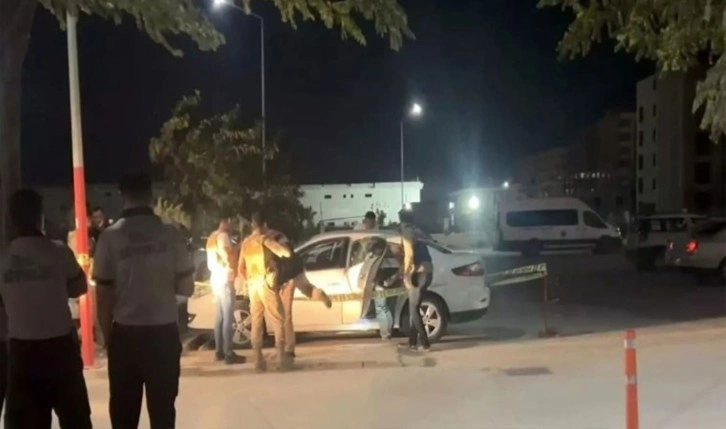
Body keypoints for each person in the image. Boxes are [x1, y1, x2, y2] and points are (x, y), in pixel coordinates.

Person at [94, 173, 195, 429]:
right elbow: (187, 287)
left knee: (124, 415)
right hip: (163, 334)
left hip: (126, 336)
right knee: (163, 413)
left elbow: (103, 297)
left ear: (122, 195)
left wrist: (108, 339)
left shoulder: (110, 237)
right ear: (150, 195)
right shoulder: (170, 233)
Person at [0, 189, 92, 428]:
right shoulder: (59, 251)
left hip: (22, 352)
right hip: (60, 349)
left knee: (25, 422)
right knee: (75, 419)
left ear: (11, 219)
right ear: (39, 217)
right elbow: (80, 287)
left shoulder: (4, 259)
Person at [238, 212, 292, 372]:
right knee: (278, 318)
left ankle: (258, 361)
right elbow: (286, 253)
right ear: (265, 225)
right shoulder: (264, 240)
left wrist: (248, 280)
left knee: (256, 321)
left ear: (252, 225)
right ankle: (281, 359)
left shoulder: (246, 243)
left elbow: (241, 268)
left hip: (252, 285)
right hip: (266, 283)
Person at [266, 228, 332, 358]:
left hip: (287, 277)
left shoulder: (267, 240)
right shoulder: (279, 234)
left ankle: (289, 348)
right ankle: (319, 294)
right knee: (308, 289)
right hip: (297, 269)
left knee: (285, 314)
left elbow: (281, 256)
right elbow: (289, 250)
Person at [206, 216, 245, 364]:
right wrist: (239, 246)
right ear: (226, 221)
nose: (233, 225)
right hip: (225, 278)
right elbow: (229, 256)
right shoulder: (223, 237)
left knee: (220, 317)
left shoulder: (212, 237)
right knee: (228, 317)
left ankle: (219, 352)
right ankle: (229, 353)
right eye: (231, 222)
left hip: (215, 279)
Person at [399, 209, 433, 352]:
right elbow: (430, 241)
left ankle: (425, 344)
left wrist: (406, 274)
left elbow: (409, 256)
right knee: (414, 308)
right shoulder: (417, 230)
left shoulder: (407, 232)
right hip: (428, 271)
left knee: (413, 309)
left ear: (402, 220)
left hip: (418, 273)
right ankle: (412, 343)